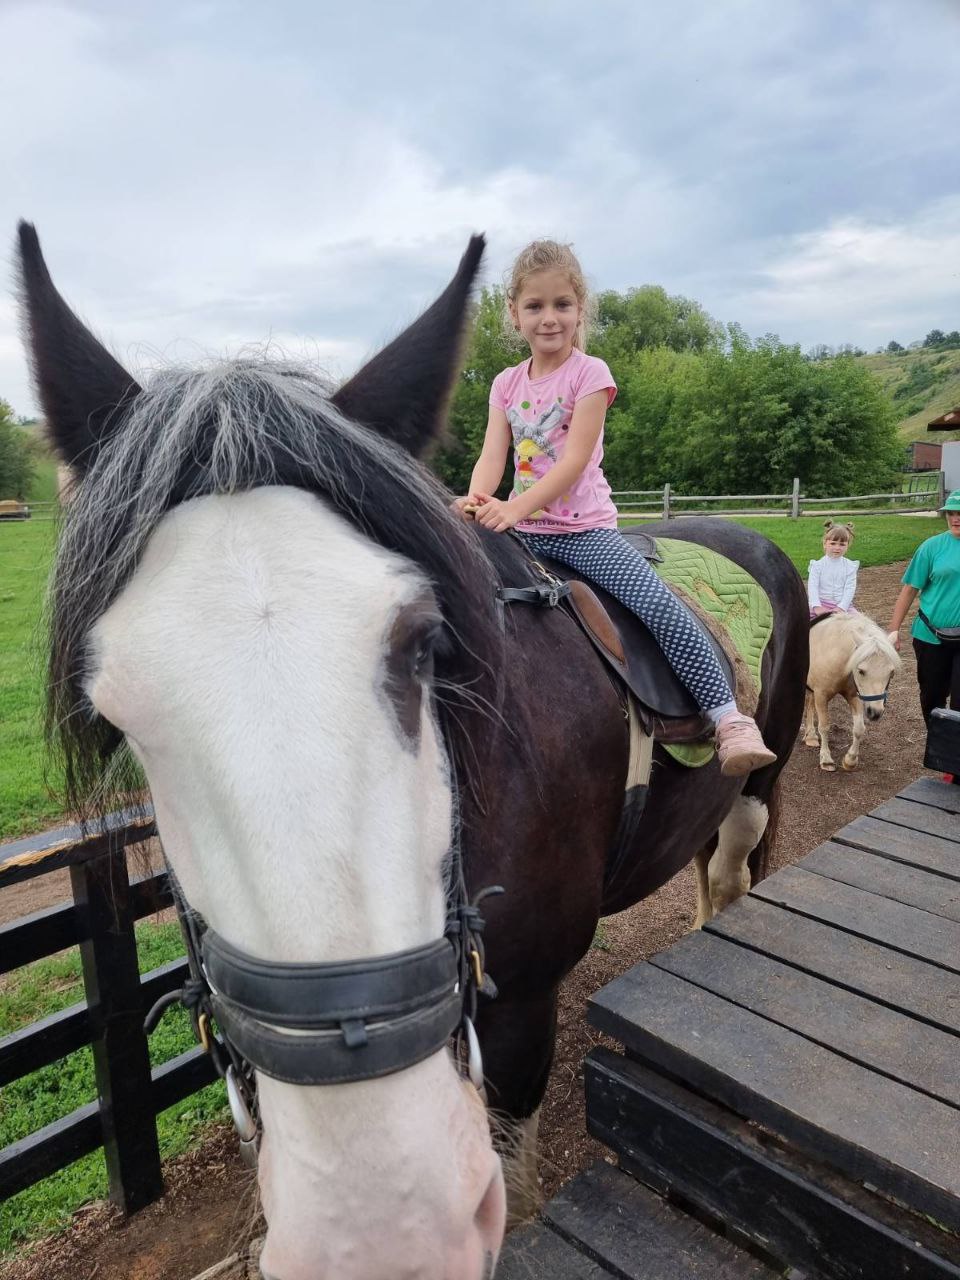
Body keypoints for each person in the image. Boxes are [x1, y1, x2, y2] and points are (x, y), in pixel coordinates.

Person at [451, 238, 776, 778]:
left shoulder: (590, 374)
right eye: (534, 306)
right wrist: (479, 498)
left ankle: (728, 718)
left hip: (582, 531)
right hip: (522, 528)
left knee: (656, 605)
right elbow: (493, 454)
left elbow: (574, 460)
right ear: (514, 313)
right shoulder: (505, 383)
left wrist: (514, 507)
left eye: (561, 305)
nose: (548, 318)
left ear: (580, 308)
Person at [888, 489, 960, 726]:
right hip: (930, 635)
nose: (955, 518)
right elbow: (910, 589)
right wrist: (893, 629)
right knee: (932, 697)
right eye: (951, 512)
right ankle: (939, 745)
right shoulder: (931, 547)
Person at [807, 521, 859, 619]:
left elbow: (850, 588)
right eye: (833, 543)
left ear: (848, 546)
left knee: (861, 624)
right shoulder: (817, 566)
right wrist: (816, 606)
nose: (837, 548)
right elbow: (813, 587)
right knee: (800, 624)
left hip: (843, 607)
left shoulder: (850, 567)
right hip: (821, 604)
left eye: (842, 544)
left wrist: (842, 607)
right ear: (825, 544)